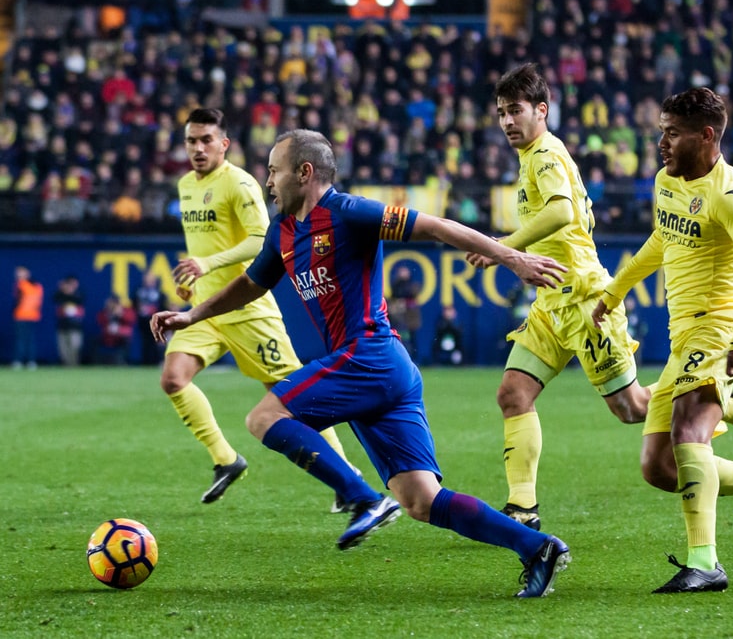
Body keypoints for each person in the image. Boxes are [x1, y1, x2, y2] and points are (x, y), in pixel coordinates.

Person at [150, 129, 572, 597]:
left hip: (367, 355)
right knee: (419, 500)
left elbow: (434, 226)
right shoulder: (283, 231)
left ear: (305, 173)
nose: (268, 180)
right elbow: (251, 285)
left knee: (264, 416)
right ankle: (537, 547)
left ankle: (360, 497)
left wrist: (510, 256)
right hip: (381, 370)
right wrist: (192, 315)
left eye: (274, 170)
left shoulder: (348, 213)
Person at [466, 64, 733, 532]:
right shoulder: (532, 156)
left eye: (515, 111)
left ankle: (732, 405)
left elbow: (560, 212)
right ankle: (522, 508)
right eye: (500, 113)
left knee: (633, 409)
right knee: (513, 393)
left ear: (541, 110)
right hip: (552, 303)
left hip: (582, 298)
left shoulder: (545, 155)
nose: (507, 121)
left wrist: (502, 247)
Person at [592, 87, 733, 594]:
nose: (661, 142)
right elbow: (660, 241)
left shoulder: (730, 195)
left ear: (706, 136)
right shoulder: (666, 181)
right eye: (661, 130)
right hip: (681, 336)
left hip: (716, 329)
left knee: (689, 432)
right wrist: (614, 291)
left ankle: (705, 563)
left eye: (672, 132)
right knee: (660, 468)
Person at [161, 108, 357, 506]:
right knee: (173, 378)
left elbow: (260, 238)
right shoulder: (185, 185)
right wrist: (193, 278)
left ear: (224, 144)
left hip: (246, 310)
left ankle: (345, 473)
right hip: (205, 307)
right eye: (191, 141)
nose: (198, 148)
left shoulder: (239, 183)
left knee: (292, 395)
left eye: (206, 140)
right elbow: (205, 246)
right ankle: (226, 460)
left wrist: (208, 264)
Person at [132, 269, 168, 366]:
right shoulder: (138, 292)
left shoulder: (160, 294)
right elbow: (134, 305)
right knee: (145, 343)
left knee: (156, 342)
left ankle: (156, 361)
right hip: (143, 323)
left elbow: (163, 307)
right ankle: (145, 362)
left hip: (156, 322)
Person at [12, 266, 43, 370]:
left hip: (24, 316)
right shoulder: (37, 286)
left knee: (25, 340)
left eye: (21, 273)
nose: (19, 275)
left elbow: (17, 300)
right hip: (26, 316)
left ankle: (24, 361)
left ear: (27, 273)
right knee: (25, 340)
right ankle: (25, 361)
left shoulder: (21, 285)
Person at [94, 294, 136, 365]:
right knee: (94, 342)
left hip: (120, 336)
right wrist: (109, 314)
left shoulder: (124, 310)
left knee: (126, 341)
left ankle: (122, 361)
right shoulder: (105, 312)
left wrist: (121, 314)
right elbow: (100, 320)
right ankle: (96, 362)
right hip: (108, 336)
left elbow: (132, 320)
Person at [53, 274, 85, 366]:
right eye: (70, 283)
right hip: (62, 326)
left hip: (75, 326)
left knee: (75, 347)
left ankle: (74, 365)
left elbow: (79, 300)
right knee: (63, 348)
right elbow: (55, 298)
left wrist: (69, 293)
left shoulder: (79, 293)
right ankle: (66, 365)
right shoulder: (61, 294)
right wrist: (62, 290)